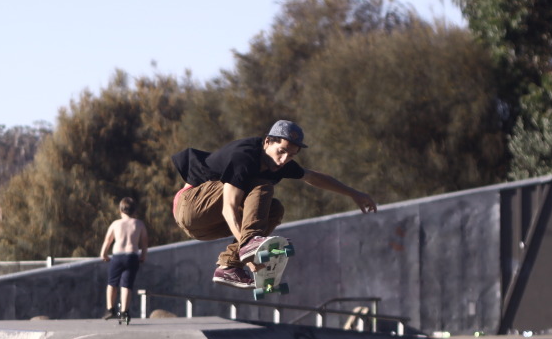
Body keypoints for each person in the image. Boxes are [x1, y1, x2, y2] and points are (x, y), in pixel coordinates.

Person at [171, 120, 377, 288]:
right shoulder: (244, 156)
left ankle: (228, 266)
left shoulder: (280, 163)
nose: (284, 160)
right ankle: (249, 244)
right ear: (268, 142)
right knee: (262, 185)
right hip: (191, 206)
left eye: (291, 156)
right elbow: (228, 208)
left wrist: (353, 194)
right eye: (281, 151)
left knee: (275, 209)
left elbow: (313, 177)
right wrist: (247, 248)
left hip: (204, 229)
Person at [99, 197, 149, 319]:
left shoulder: (116, 224)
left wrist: (103, 254)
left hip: (117, 256)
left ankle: (110, 309)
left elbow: (108, 240)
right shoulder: (139, 224)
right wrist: (143, 255)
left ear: (120, 210)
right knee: (126, 285)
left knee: (112, 283)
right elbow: (144, 242)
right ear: (134, 211)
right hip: (132, 256)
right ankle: (124, 312)